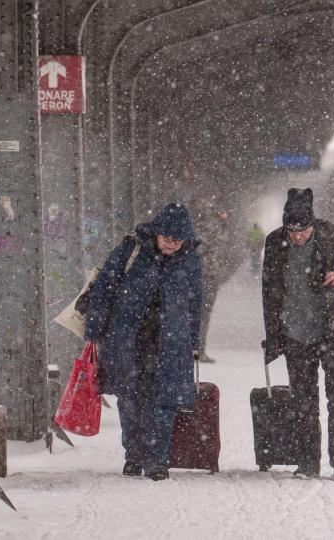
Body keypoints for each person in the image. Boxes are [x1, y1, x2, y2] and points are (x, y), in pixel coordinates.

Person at [261, 188, 334, 480]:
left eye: (304, 231)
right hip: (295, 333)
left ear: (313, 224)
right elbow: (269, 291)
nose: (298, 237)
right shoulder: (275, 242)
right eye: (292, 232)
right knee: (303, 401)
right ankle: (308, 462)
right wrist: (274, 335)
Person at [84, 203, 203, 481]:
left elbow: (195, 302)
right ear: (156, 232)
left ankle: (157, 461)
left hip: (169, 342)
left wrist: (193, 340)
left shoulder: (189, 260)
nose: (173, 244)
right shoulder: (132, 250)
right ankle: (134, 455)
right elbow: (104, 288)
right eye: (168, 238)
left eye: (178, 240)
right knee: (130, 399)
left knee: (163, 401)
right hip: (128, 339)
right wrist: (94, 331)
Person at [194, 201, 242, 363]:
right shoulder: (210, 226)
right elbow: (211, 248)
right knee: (202, 313)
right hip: (205, 276)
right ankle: (197, 349)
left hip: (208, 275)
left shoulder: (212, 226)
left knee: (202, 313)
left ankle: (198, 349)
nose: (225, 215)